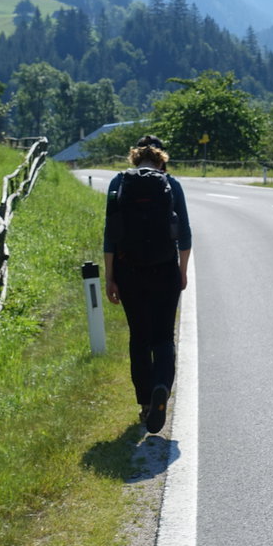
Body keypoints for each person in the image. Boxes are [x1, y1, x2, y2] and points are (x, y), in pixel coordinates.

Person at [103, 136, 192, 433]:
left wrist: (110, 276)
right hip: (165, 269)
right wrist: (182, 271)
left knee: (139, 338)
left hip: (129, 271)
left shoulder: (118, 183)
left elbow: (110, 235)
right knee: (164, 336)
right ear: (161, 161)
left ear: (134, 159)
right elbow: (185, 233)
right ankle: (162, 389)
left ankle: (145, 404)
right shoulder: (171, 185)